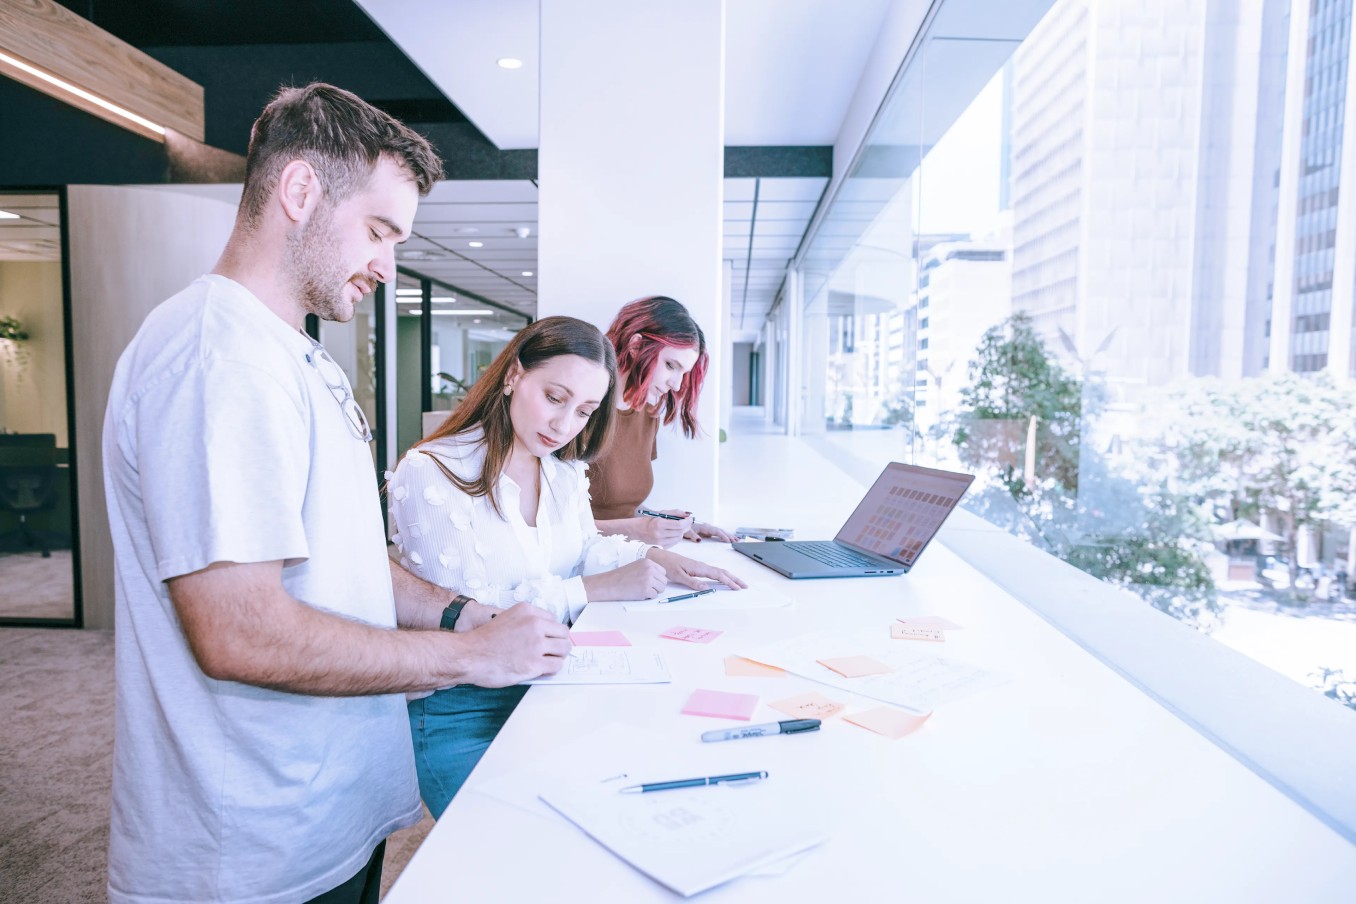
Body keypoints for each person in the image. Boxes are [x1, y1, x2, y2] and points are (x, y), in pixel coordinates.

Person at [102, 83, 571, 904]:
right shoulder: (223, 358)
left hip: (321, 817)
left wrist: (462, 613)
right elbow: (240, 632)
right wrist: (467, 658)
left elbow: (338, 556)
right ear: (300, 192)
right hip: (247, 854)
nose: (389, 264)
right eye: (380, 231)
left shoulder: (289, 354)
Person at [388, 315, 746, 817]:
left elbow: (585, 550)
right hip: (461, 704)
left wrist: (660, 558)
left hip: (550, 683)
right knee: (513, 837)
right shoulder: (432, 471)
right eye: (555, 398)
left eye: (584, 411)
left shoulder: (561, 471)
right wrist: (589, 590)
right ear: (513, 375)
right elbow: (482, 615)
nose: (563, 425)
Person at [588, 296, 739, 546]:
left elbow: (619, 509)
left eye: (684, 373)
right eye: (671, 365)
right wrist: (638, 530)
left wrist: (666, 524)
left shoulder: (646, 414)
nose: (677, 384)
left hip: (622, 553)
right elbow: (548, 525)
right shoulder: (580, 411)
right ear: (636, 345)